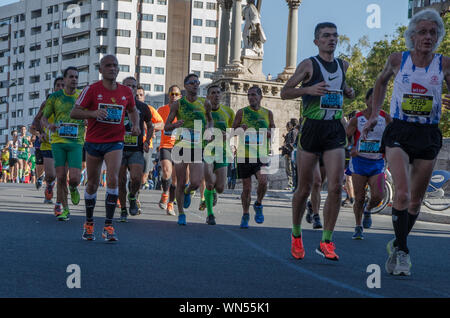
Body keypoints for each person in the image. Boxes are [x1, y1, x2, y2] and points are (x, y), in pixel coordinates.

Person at [362, 9, 450, 276]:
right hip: (399, 131)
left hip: (428, 133)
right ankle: (402, 252)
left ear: (438, 37)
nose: (427, 37)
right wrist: (375, 115)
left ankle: (398, 242)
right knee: (402, 194)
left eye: (433, 33)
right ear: (412, 36)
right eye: (422, 32)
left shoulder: (444, 64)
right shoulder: (398, 60)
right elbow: (380, 84)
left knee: (415, 201)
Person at [281, 22, 355, 261]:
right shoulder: (308, 65)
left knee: (335, 186)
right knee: (304, 188)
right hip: (312, 129)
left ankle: (326, 240)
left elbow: (340, 86)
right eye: (326, 36)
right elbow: (285, 92)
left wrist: (348, 91)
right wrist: (308, 90)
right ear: (317, 41)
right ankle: (296, 235)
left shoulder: (343, 65)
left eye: (334, 35)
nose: (331, 39)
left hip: (334, 129)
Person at [71, 54, 140, 242]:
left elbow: (133, 111)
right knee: (92, 183)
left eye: (115, 65)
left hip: (115, 141)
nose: (112, 68)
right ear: (100, 70)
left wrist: (136, 125)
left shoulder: (126, 91)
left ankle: (109, 225)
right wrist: (93, 113)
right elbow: (75, 111)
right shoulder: (92, 90)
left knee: (113, 179)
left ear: (118, 69)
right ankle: (89, 223)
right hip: (94, 141)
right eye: (108, 65)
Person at [164, 73, 214, 226]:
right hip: (181, 146)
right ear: (185, 86)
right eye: (192, 82)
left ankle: (188, 191)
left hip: (197, 146)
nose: (195, 85)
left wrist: (209, 130)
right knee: (180, 182)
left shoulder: (205, 103)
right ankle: (181, 213)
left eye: (197, 82)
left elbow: (210, 120)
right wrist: (175, 124)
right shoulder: (178, 104)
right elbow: (166, 126)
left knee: (196, 182)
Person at [347, 88, 392, 239]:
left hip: (377, 162)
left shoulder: (386, 118)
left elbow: (393, 136)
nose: (375, 102)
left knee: (378, 196)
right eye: (372, 99)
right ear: (366, 101)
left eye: (378, 99)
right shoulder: (357, 118)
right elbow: (344, 138)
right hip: (359, 162)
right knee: (358, 197)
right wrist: (350, 148)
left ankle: (368, 209)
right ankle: (358, 226)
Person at [41, 67, 84, 221]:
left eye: (76, 77)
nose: (74, 80)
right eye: (71, 77)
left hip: (76, 142)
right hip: (58, 141)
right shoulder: (55, 97)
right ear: (64, 79)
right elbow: (43, 119)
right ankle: (65, 209)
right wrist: (49, 126)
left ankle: (73, 188)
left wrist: (87, 119)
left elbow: (90, 114)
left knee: (74, 178)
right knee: (60, 176)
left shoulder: (82, 96)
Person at [232, 86, 275, 229]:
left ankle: (258, 203)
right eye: (249, 95)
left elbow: (273, 131)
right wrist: (240, 130)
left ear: (260, 96)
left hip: (261, 155)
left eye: (254, 95)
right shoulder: (241, 112)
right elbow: (232, 132)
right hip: (244, 155)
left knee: (263, 181)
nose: (251, 97)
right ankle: (245, 214)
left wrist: (269, 133)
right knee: (247, 188)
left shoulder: (268, 113)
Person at [117, 76, 153, 222]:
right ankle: (124, 209)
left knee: (137, 178)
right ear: (122, 87)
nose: (130, 89)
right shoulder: (116, 104)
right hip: (118, 148)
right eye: (128, 86)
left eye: (133, 86)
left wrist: (148, 141)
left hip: (136, 148)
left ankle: (132, 196)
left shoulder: (143, 107)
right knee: (120, 180)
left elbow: (150, 126)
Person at [202, 85, 235, 225]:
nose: (216, 95)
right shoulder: (202, 112)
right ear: (208, 96)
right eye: (213, 93)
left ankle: (214, 193)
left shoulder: (228, 112)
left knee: (220, 188)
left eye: (218, 93)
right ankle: (210, 214)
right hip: (206, 150)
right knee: (209, 183)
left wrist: (225, 135)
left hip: (222, 151)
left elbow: (234, 131)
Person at [32, 77, 64, 204]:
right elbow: (36, 120)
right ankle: (49, 185)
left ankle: (60, 202)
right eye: (58, 85)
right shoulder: (47, 103)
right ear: (54, 88)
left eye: (63, 85)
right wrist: (42, 133)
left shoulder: (73, 102)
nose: (60, 88)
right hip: (49, 143)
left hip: (65, 143)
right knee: (50, 174)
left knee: (62, 175)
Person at [157, 85, 182, 216]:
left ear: (180, 96)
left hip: (179, 146)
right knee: (166, 172)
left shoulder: (184, 111)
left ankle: (171, 204)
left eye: (176, 94)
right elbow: (154, 122)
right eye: (172, 94)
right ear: (168, 95)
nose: (174, 96)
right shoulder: (162, 110)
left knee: (175, 179)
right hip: (165, 145)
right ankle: (165, 193)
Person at [136, 86, 164, 189]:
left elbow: (161, 124)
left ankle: (136, 192)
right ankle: (128, 197)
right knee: (132, 173)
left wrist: (150, 127)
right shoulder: (128, 108)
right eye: (136, 95)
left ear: (144, 97)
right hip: (130, 143)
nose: (138, 97)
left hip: (146, 144)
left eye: (141, 95)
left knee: (144, 175)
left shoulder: (149, 109)